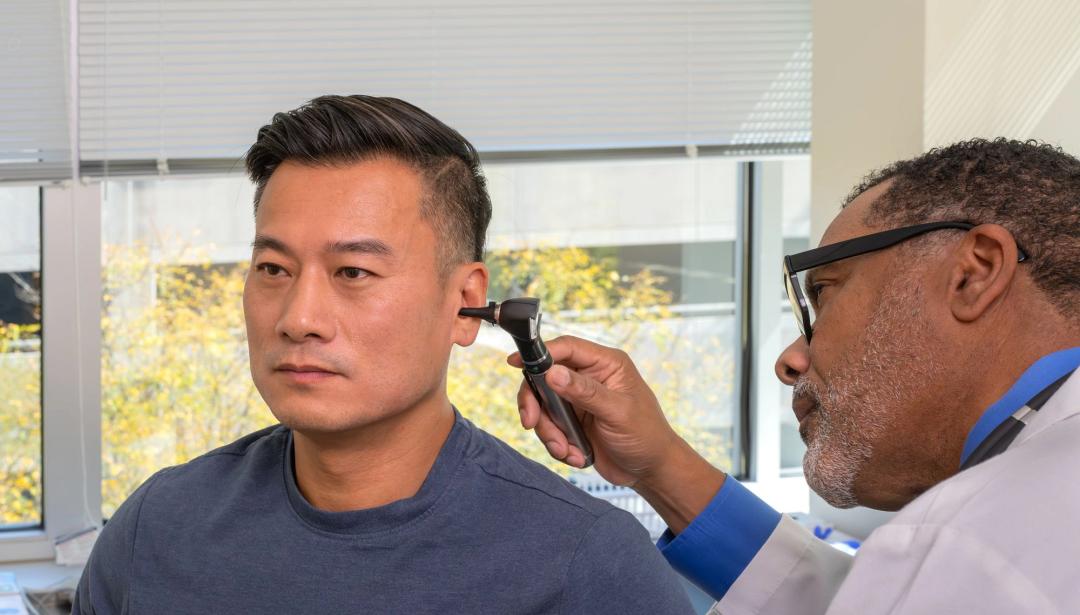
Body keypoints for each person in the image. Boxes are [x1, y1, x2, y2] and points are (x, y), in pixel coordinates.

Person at [73, 95, 694, 614]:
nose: (299, 319)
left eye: (354, 271)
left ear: (465, 302)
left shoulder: (585, 564)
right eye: (272, 267)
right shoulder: (156, 526)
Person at [514, 138, 1080, 614]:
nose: (790, 360)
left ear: (972, 274)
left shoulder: (986, 539)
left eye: (825, 293)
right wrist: (660, 464)